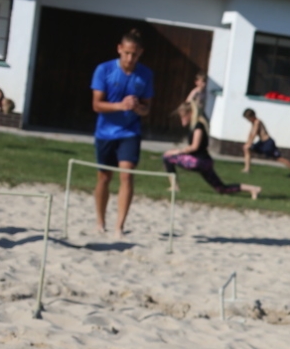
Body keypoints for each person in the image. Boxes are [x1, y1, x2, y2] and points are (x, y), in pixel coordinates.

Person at [91, 29, 154, 238]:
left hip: (130, 131)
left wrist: (137, 108)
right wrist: (121, 105)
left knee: (126, 175)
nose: (130, 58)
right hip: (106, 132)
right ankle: (100, 222)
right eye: (126, 53)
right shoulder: (104, 69)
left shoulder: (145, 74)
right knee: (104, 177)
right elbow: (97, 105)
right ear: (119, 49)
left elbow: (147, 108)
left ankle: (119, 226)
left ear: (140, 53)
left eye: (134, 54)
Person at [163, 102, 260, 199]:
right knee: (221, 188)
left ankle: (174, 186)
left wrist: (177, 152)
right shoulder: (196, 126)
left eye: (183, 116)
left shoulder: (198, 127)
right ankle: (252, 189)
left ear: (190, 113)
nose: (182, 119)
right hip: (205, 162)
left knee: (167, 157)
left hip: (199, 162)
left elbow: (194, 147)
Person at [242, 108, 290, 180]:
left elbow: (254, 133)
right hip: (262, 143)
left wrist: (250, 143)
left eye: (248, 118)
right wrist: (248, 143)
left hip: (268, 143)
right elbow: (251, 133)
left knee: (279, 158)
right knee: (247, 148)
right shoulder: (253, 122)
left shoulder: (257, 122)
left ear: (252, 116)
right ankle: (247, 169)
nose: (247, 120)